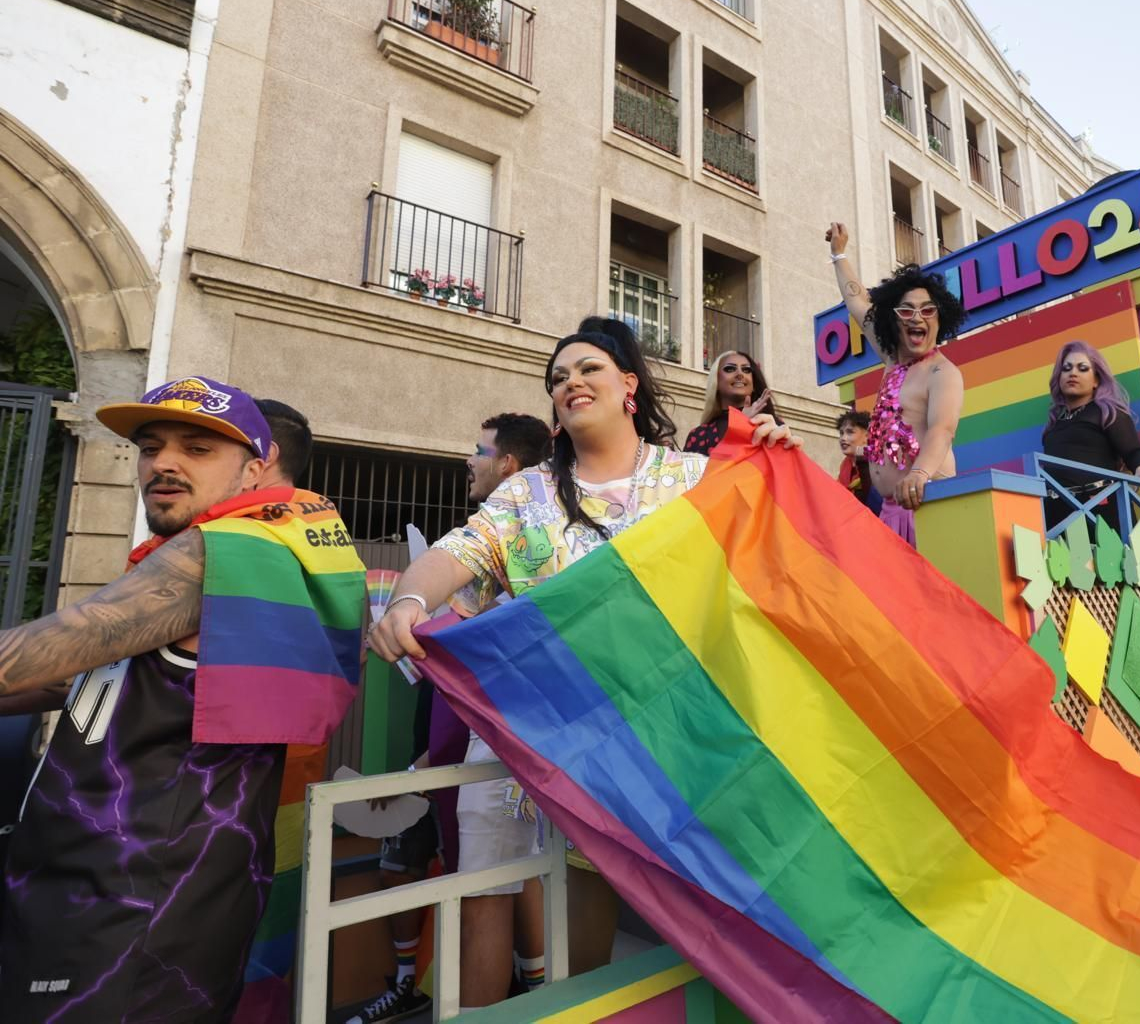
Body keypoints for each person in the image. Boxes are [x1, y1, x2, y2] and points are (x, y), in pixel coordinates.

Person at [369, 317, 801, 1004]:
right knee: (494, 896)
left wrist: (778, 463)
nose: (570, 382)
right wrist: (409, 598)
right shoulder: (523, 494)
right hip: (523, 734)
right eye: (558, 377)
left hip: (652, 735)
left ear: (629, 384)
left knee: (638, 902)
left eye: (588, 369)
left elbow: (776, 556)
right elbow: (458, 554)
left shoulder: (694, 477)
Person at [0, 376, 365, 1022]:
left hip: (136, 912)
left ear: (256, 470)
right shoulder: (215, 557)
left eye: (197, 449)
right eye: (151, 446)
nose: (163, 463)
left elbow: (25, 659)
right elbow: (71, 677)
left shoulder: (217, 554)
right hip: (103, 890)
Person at [349, 411, 553, 1024]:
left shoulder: (526, 544)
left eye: (478, 449)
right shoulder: (483, 541)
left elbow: (486, 664)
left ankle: (532, 994)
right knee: (495, 876)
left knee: (493, 881)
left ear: (510, 467)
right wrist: (409, 606)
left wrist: (421, 764)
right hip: (457, 741)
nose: (469, 459)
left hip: (488, 743)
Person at [825, 221, 965, 545]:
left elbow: (942, 430)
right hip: (890, 511)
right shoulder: (892, 359)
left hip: (929, 506)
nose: (917, 317)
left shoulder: (943, 373)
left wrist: (919, 473)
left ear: (939, 319)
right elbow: (858, 303)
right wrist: (839, 254)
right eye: (907, 311)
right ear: (893, 320)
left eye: (927, 310)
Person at [1038, 340, 1140, 534]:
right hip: (1058, 515)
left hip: (1101, 510)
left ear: (1096, 380)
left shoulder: (1108, 412)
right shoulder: (1055, 422)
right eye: (1066, 368)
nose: (1073, 373)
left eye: (1082, 368)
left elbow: (1134, 451)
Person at [684, 350, 779, 455]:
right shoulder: (698, 436)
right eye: (730, 369)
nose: (740, 374)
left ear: (754, 384)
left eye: (746, 370)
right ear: (716, 381)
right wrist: (739, 426)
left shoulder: (772, 426)